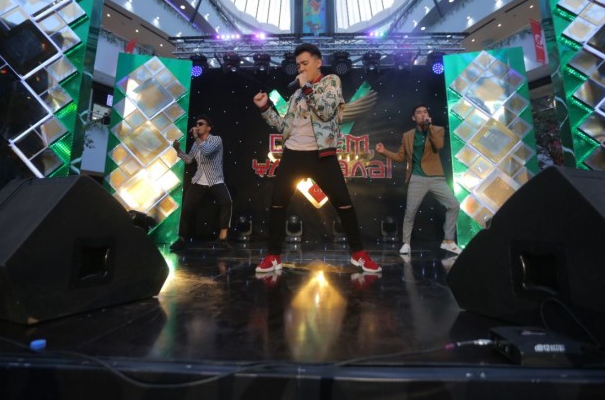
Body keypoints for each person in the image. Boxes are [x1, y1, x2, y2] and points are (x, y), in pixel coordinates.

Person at [252, 43, 381, 273]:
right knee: (277, 203)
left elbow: (325, 111)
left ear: (318, 62)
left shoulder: (331, 82)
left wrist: (307, 87)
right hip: (293, 153)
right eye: (298, 66)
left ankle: (358, 254)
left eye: (305, 63)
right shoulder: (296, 95)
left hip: (321, 154)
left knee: (343, 203)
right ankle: (273, 256)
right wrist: (265, 109)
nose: (300, 69)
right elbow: (283, 127)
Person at [375, 104, 461, 255]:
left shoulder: (438, 129)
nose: (423, 114)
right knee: (410, 211)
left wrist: (430, 126)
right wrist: (384, 152)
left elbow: (438, 145)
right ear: (413, 117)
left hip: (436, 177)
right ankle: (406, 243)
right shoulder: (408, 135)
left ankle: (448, 241)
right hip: (417, 177)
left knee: (454, 205)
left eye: (425, 112)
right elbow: (400, 157)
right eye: (419, 112)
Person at [170, 114, 232, 252]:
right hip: (199, 180)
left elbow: (207, 151)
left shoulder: (216, 140)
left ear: (208, 128)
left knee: (226, 202)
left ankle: (223, 237)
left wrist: (197, 138)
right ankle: (182, 239)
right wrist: (178, 150)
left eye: (200, 124)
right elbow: (189, 160)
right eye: (196, 124)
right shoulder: (195, 144)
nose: (197, 126)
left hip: (215, 179)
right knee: (187, 208)